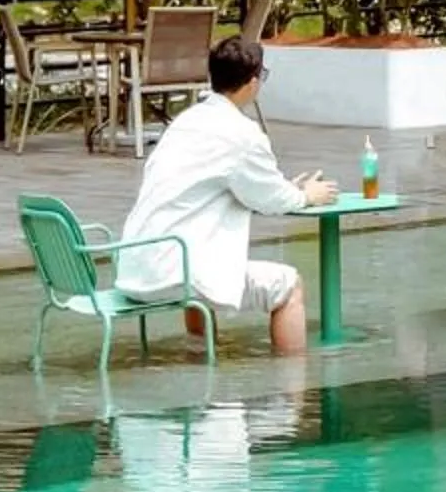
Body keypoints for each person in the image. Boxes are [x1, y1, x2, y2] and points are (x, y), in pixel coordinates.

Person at [113, 35, 337, 354]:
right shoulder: (243, 134)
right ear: (253, 82)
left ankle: (200, 357)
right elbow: (272, 199)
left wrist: (285, 188)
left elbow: (236, 185)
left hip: (137, 267)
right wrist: (306, 195)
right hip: (176, 274)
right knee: (288, 286)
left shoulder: (185, 122)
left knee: (197, 255)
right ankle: (292, 381)